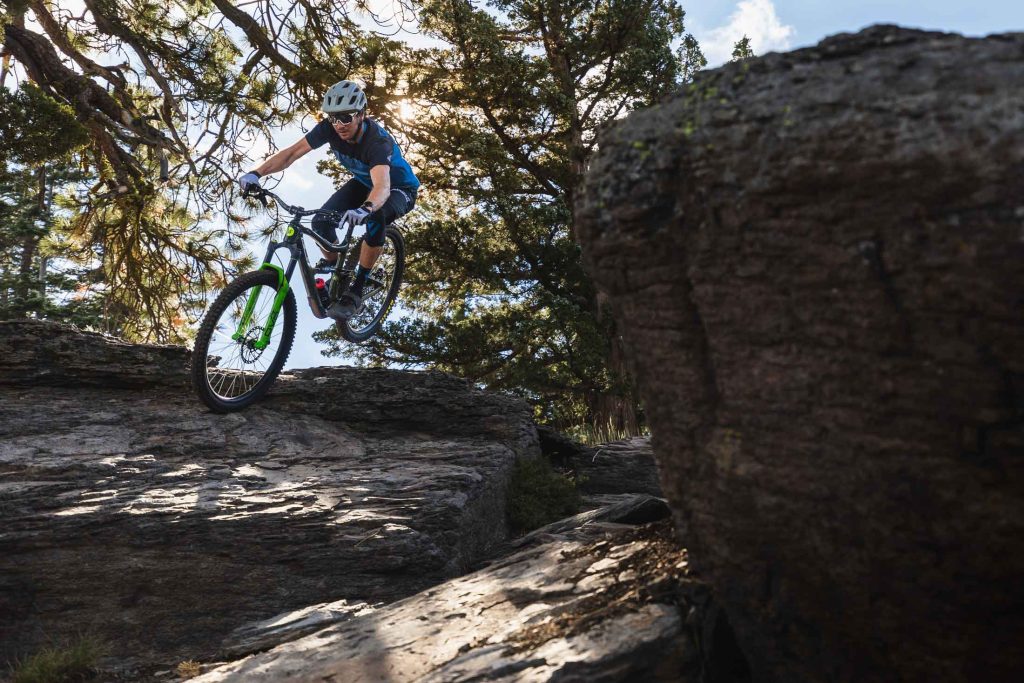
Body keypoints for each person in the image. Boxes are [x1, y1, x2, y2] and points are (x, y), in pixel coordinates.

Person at [238, 80, 420, 319]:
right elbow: (292, 153)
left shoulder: (376, 141)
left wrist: (366, 208)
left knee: (377, 216)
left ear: (361, 115)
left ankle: (357, 287)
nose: (339, 125)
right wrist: (256, 173)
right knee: (321, 222)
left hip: (398, 188)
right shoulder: (329, 129)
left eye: (345, 117)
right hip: (365, 183)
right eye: (333, 118)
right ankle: (340, 274)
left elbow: (383, 187)